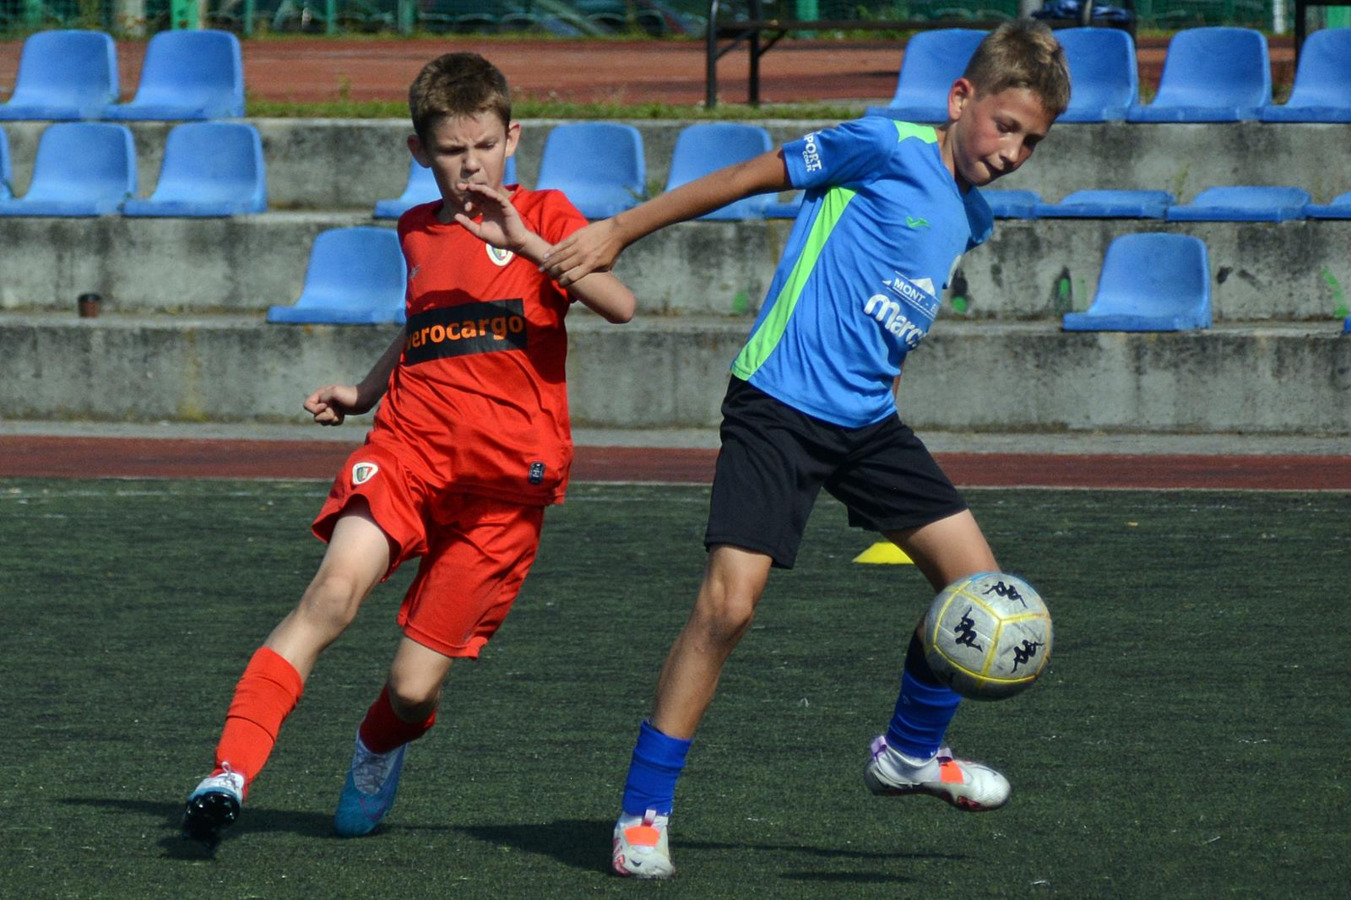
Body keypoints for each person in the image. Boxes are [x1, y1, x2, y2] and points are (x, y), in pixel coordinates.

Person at [541, 20, 1070, 879]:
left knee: (977, 588)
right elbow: (742, 177)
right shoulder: (881, 145)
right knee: (728, 608)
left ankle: (908, 752)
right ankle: (642, 812)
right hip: (777, 408)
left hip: (867, 426)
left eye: (1031, 141)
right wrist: (620, 230)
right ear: (959, 98)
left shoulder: (972, 216)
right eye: (1004, 126)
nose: (1012, 151)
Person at [180, 52, 636, 850]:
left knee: (412, 688)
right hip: (408, 451)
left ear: (512, 139)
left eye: (485, 146)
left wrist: (526, 242)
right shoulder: (416, 228)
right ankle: (227, 775)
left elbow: (619, 304)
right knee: (331, 595)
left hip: (505, 488)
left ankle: (377, 744)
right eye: (453, 151)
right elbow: (427, 320)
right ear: (419, 151)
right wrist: (364, 392)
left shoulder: (548, 215)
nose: (471, 165)